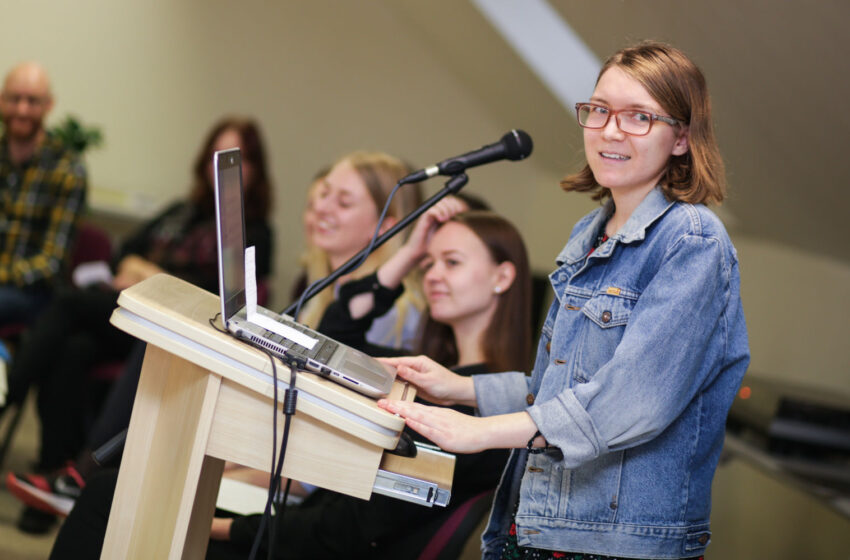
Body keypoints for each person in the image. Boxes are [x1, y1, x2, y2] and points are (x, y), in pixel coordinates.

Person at [377, 41, 750, 560]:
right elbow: (554, 390)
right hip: (535, 525)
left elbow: (630, 401)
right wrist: (458, 388)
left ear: (682, 138)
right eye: (599, 110)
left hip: (616, 544)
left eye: (639, 116)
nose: (610, 129)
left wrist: (481, 432)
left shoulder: (692, 241)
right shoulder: (592, 231)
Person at [49, 202, 534, 560]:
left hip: (308, 548)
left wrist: (216, 527)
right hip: (302, 534)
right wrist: (406, 255)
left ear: (502, 277)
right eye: (428, 264)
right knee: (115, 494)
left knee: (109, 499)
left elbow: (346, 531)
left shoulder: (471, 411)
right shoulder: (435, 378)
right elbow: (337, 336)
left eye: (451, 262)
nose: (432, 275)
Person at [4, 116, 274, 533]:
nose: (215, 166)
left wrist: (150, 272)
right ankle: (60, 482)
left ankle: (28, 427)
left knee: (68, 309)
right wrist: (135, 267)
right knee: (71, 348)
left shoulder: (254, 230)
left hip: (171, 332)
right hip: (131, 312)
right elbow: (121, 252)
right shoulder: (181, 210)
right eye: (213, 155)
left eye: (231, 156)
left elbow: (218, 296)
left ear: (252, 167)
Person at [0, 62, 87, 380]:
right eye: (14, 98)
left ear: (48, 105)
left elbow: (50, 264)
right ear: (1, 100)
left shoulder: (66, 169)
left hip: (33, 294)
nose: (22, 109)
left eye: (32, 101)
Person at [296, 151, 426, 350]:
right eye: (324, 193)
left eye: (344, 203)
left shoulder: (391, 314)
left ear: (385, 226)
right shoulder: (325, 287)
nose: (321, 207)